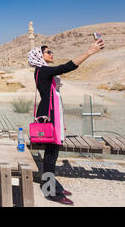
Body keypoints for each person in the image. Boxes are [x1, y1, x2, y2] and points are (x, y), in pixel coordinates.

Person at [27, 39, 104, 205]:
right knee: (51, 154)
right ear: (40, 56)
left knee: (52, 152)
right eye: (48, 52)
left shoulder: (43, 71)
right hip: (49, 114)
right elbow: (67, 67)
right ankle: (50, 190)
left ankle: (49, 183)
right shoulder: (43, 70)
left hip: (52, 113)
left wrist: (61, 121)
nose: (51, 53)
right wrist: (89, 52)